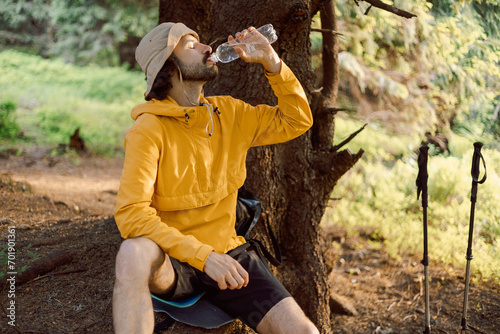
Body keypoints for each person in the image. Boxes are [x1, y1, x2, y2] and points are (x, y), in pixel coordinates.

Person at [112, 22, 318, 334]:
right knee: (132, 252)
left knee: (304, 332)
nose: (208, 48)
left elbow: (297, 119)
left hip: (230, 255)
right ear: (168, 67)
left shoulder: (230, 114)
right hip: (173, 261)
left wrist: (271, 63)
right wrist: (203, 257)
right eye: (191, 46)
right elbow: (131, 214)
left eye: (202, 42)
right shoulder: (148, 130)